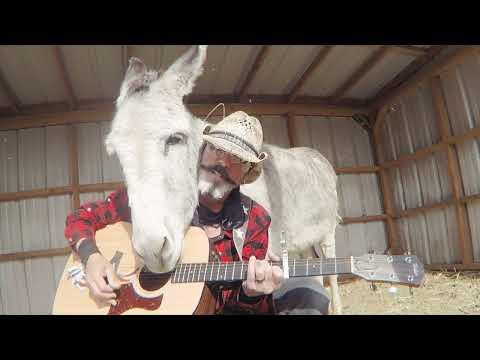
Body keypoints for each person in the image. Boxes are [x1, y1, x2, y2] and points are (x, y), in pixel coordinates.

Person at [64, 111, 330, 315]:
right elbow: (82, 217)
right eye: (215, 148)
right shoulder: (159, 196)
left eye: (235, 158)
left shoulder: (255, 221)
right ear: (202, 151)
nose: (221, 161)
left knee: (312, 294)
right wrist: (91, 257)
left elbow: (242, 309)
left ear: (247, 174)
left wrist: (251, 293)